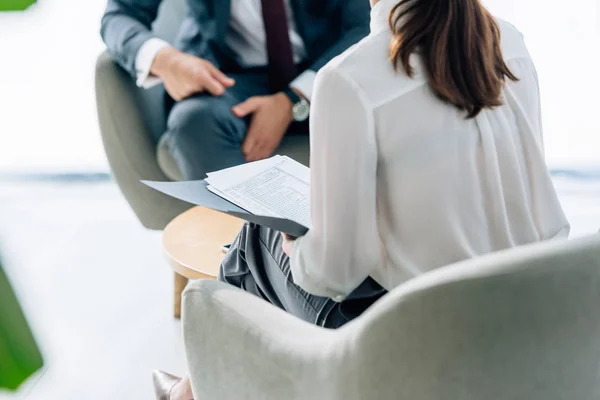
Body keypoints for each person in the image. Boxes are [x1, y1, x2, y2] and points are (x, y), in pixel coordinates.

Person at [154, 0, 571, 397]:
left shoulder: (350, 79)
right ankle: (201, 389)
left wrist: (295, 239)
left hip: (409, 344)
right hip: (523, 318)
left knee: (256, 237)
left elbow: (333, 275)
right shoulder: (508, 42)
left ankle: (194, 391)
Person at [101, 0, 371, 180]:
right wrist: (165, 60)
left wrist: (295, 99)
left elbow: (367, 26)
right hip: (230, 74)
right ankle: (242, 255)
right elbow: (119, 15)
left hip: (331, 67)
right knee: (194, 121)